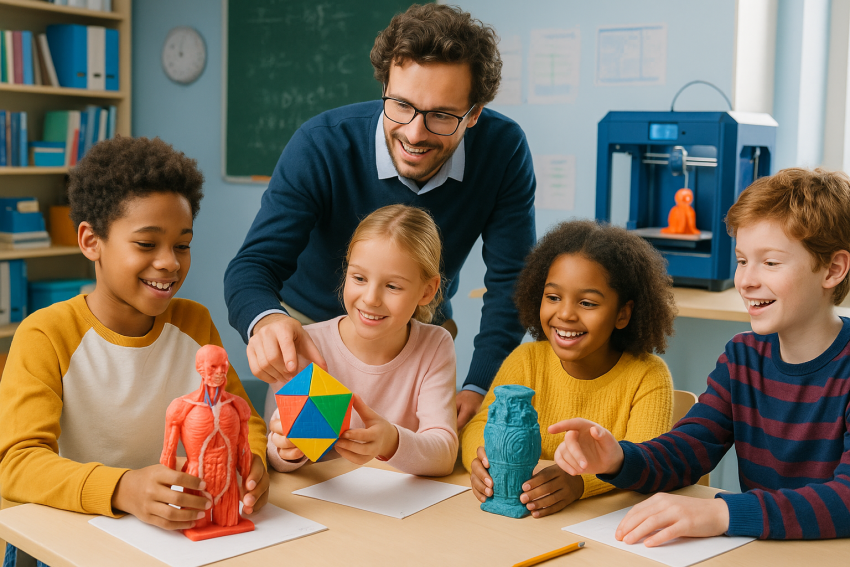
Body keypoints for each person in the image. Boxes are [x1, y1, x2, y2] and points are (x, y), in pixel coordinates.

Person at [224, 3, 536, 430]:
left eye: (442, 116)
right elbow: (251, 267)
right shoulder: (321, 145)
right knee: (309, 467)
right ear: (384, 86)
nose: (414, 133)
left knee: (416, 472)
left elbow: (512, 281)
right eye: (401, 105)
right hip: (314, 345)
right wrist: (266, 320)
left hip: (419, 340)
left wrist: (480, 384)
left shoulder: (503, 151)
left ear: (474, 114)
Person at [0, 137, 270, 565]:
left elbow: (243, 419)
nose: (170, 263)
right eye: (146, 244)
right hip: (71, 544)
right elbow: (17, 464)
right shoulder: (46, 335)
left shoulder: (194, 323)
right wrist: (123, 488)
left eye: (182, 244)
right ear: (91, 242)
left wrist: (253, 462)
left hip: (171, 542)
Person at [550, 168, 850, 543]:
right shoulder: (743, 357)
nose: (746, 280)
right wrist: (619, 460)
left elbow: (846, 499)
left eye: (770, 263)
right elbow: (689, 449)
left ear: (833, 269)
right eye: (742, 260)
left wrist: (724, 511)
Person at [463, 220, 676, 518]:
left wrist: (580, 483)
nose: (564, 314)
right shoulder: (526, 359)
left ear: (623, 314)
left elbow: (645, 461)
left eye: (587, 303)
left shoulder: (647, 376)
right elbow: (478, 425)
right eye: (553, 297)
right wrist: (482, 459)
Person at [266, 205, 457, 477]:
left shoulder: (435, 346)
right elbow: (274, 455)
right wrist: (287, 449)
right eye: (359, 278)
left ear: (427, 290)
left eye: (392, 286)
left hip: (400, 509)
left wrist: (390, 440)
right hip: (322, 505)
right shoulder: (309, 345)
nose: (370, 298)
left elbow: (444, 453)